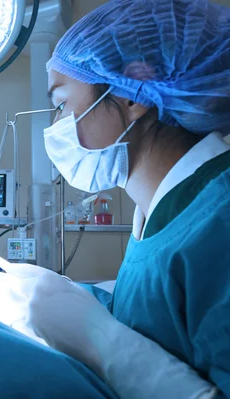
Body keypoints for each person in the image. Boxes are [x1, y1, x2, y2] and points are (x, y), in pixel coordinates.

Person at [22, 0, 230, 398]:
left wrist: (106, 343)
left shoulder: (221, 216)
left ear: (132, 96)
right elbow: (158, 312)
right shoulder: (162, 208)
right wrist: (82, 300)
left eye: (62, 104)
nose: (57, 126)